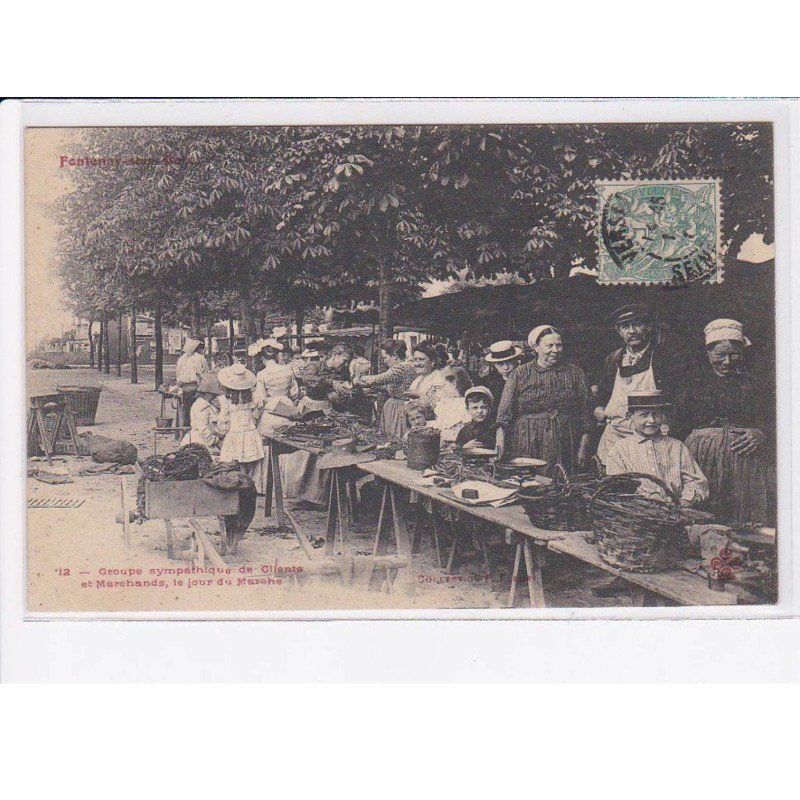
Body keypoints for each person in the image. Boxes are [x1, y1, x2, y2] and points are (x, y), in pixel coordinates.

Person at [678, 319, 774, 524]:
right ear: (708, 353)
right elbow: (678, 422)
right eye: (720, 355)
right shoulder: (693, 382)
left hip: (746, 462)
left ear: (743, 353)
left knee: (745, 519)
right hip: (701, 460)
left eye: (734, 354)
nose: (727, 361)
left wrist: (762, 433)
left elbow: (776, 419)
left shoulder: (755, 383)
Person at [496, 325, 592, 476]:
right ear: (536, 347)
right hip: (527, 441)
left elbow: (586, 414)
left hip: (565, 441)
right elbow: (503, 414)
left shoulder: (575, 373)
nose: (555, 350)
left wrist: (583, 447)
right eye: (549, 345)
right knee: (528, 483)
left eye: (558, 345)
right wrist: (500, 443)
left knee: (562, 483)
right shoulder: (519, 374)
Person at [594, 304, 676, 465]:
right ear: (619, 331)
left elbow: (676, 398)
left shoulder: (662, 357)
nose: (631, 331)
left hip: (651, 434)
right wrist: (598, 408)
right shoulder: (613, 359)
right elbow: (602, 394)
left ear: (648, 326)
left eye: (637, 324)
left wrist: (668, 422)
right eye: (625, 326)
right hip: (615, 436)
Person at [604, 390, 708, 507]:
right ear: (630, 416)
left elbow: (695, 481)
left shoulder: (676, 446)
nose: (652, 420)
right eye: (644, 415)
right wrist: (647, 496)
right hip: (636, 512)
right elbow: (617, 485)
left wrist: (685, 501)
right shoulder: (620, 449)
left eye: (656, 414)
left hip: (675, 511)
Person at [353, 339, 416, 440]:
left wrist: (357, 380)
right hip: (397, 407)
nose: (384, 361)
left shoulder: (400, 368)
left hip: (399, 409)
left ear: (394, 356)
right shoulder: (405, 367)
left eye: (386, 357)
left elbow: (374, 379)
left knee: (395, 437)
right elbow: (385, 386)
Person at [216, 363, 265, 487]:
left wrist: (221, 432)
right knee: (250, 462)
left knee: (238, 461)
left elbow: (223, 419)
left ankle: (242, 485)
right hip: (250, 432)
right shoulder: (252, 397)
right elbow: (256, 414)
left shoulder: (225, 400)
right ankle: (251, 484)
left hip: (235, 433)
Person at [298, 343, 354, 412]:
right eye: (344, 360)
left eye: (348, 362)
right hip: (311, 406)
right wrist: (331, 383)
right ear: (335, 355)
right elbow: (308, 378)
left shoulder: (342, 371)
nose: (346, 364)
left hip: (329, 407)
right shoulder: (316, 365)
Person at [479, 340, 524, 421]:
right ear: (495, 365)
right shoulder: (493, 386)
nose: (505, 368)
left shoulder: (526, 380)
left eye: (509, 363)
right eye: (500, 364)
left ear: (517, 361)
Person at [428, 365, 472, 444]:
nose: (443, 389)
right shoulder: (447, 403)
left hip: (457, 442)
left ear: (454, 384)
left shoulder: (463, 405)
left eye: (444, 385)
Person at [180, 373, 224, 450]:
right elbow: (203, 428)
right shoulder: (202, 407)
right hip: (201, 442)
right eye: (213, 395)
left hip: (205, 440)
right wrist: (216, 441)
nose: (215, 397)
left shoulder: (207, 405)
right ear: (207, 394)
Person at [406, 341, 448, 415]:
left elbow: (442, 405)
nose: (417, 363)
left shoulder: (439, 379)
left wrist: (420, 395)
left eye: (421, 359)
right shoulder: (417, 380)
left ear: (432, 362)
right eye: (415, 360)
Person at [175, 338, 208, 427]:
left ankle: (186, 432)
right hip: (196, 388)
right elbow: (205, 374)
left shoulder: (181, 359)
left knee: (187, 411)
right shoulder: (200, 358)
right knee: (197, 412)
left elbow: (177, 373)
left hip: (184, 388)